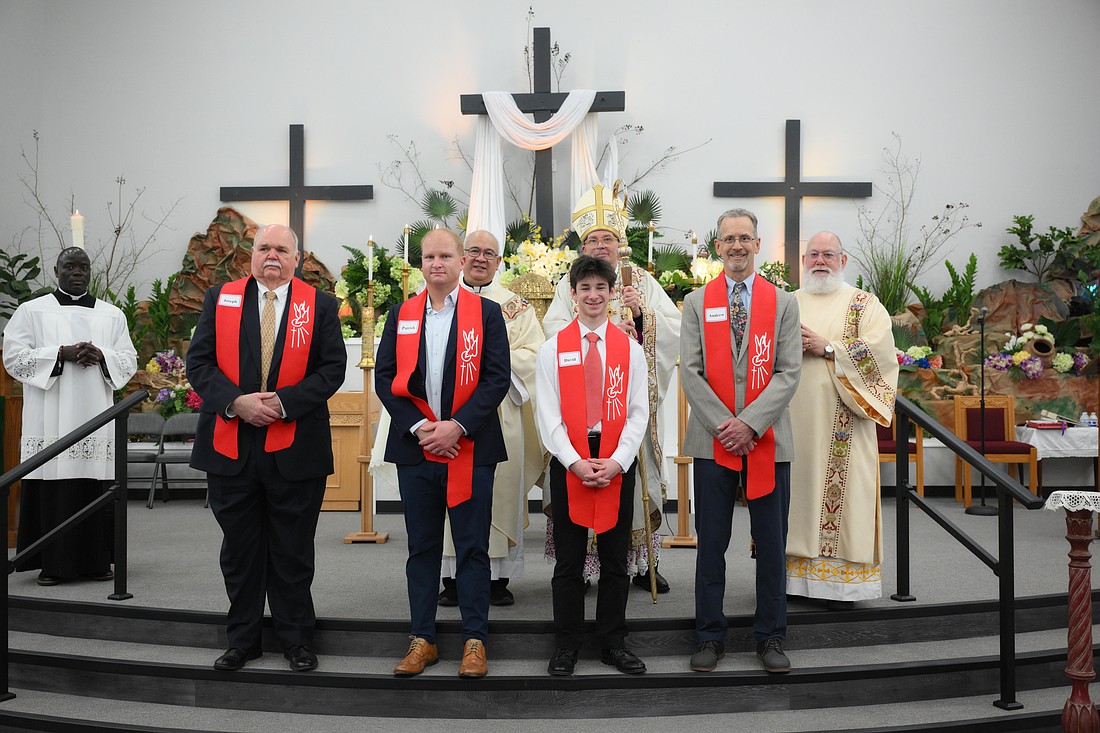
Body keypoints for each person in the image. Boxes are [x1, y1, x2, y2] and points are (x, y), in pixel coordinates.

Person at [187, 223, 346, 673]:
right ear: (250, 256)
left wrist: (284, 403)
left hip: (294, 445)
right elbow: (198, 362)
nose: (272, 256)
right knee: (240, 550)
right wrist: (236, 402)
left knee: (293, 550)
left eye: (282, 249)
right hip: (231, 445)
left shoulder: (320, 305)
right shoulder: (222, 299)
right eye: (263, 248)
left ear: (298, 259)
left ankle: (296, 639)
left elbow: (332, 368)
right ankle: (243, 640)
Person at [375, 228, 510, 679]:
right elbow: (386, 379)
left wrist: (457, 426)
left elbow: (496, 378)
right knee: (423, 546)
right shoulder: (402, 314)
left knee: (472, 546)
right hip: (417, 449)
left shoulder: (487, 314)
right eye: (429, 256)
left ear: (460, 262)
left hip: (470, 446)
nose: (437, 263)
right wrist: (420, 427)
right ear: (421, 263)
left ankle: (475, 639)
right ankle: (423, 639)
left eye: (445, 255)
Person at [542, 182, 681, 594]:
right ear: (582, 246)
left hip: (625, 404)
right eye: (592, 239)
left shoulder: (641, 280)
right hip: (579, 408)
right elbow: (552, 333)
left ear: (620, 243)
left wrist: (640, 321)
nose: (600, 245)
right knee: (579, 484)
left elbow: (671, 329)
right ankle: (582, 567)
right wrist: (598, 333)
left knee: (630, 480)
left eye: (607, 238)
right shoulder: (569, 284)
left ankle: (638, 565)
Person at [680, 208, 801, 674]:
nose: (736, 246)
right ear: (717, 246)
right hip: (713, 442)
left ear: (757, 244)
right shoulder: (696, 302)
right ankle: (710, 636)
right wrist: (724, 426)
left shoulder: (783, 303)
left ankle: (771, 636)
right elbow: (690, 372)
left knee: (771, 543)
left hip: (769, 439)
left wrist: (749, 423)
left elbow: (788, 372)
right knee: (711, 542)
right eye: (728, 238)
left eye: (744, 238)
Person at [536, 255, 650, 676]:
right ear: (573, 294)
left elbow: (640, 411)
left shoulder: (628, 350)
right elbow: (547, 415)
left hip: (615, 458)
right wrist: (574, 462)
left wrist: (618, 462)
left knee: (615, 559)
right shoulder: (553, 350)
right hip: (571, 462)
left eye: (600, 288)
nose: (593, 295)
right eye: (585, 288)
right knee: (568, 562)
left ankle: (612, 643)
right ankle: (566, 644)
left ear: (611, 293)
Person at [3, 247, 137, 586]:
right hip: (50, 419)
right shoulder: (31, 311)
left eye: (83, 267)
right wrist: (61, 354)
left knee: (96, 488)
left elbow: (128, 359)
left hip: (97, 418)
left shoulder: (112, 314)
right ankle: (54, 565)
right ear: (56, 270)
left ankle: (97, 563)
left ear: (90, 272)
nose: (77, 272)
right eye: (69, 266)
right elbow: (14, 358)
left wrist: (101, 353)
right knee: (55, 488)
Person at [785, 232, 898, 609]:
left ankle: (841, 588)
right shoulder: (788, 303)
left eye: (828, 254)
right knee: (792, 497)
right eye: (813, 254)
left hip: (844, 425)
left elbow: (881, 354)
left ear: (843, 261)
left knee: (844, 499)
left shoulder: (864, 305)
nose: (820, 260)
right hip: (790, 424)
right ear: (803, 261)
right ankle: (789, 582)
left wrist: (829, 348)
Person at [437, 230, 545, 607]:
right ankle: (452, 579)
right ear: (461, 258)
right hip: (450, 416)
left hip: (501, 411)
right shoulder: (440, 301)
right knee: (452, 493)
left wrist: (490, 364)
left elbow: (535, 354)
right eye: (473, 252)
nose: (481, 259)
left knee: (500, 491)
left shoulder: (516, 306)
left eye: (490, 253)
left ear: (500, 262)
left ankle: (497, 579)